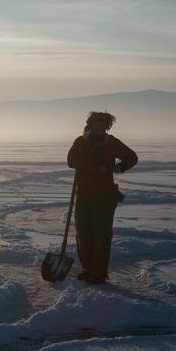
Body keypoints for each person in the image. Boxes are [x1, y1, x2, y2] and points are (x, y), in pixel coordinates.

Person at [66, 111, 138, 284]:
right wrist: (96, 167)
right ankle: (87, 267)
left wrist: (119, 168)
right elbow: (71, 160)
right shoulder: (80, 141)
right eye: (96, 125)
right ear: (89, 125)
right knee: (83, 232)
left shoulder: (111, 143)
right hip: (83, 194)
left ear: (107, 127)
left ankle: (98, 271)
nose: (99, 128)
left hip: (104, 195)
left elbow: (132, 157)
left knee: (101, 234)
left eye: (103, 126)